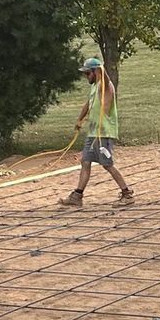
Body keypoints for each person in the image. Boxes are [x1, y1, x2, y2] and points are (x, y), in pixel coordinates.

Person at [59, 57, 132, 208]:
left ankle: (127, 194)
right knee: (85, 162)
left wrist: (101, 69)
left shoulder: (105, 85)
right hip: (93, 133)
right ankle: (77, 196)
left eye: (88, 73)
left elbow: (104, 77)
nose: (86, 76)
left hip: (104, 133)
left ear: (96, 72)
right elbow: (88, 104)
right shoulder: (94, 86)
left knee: (107, 164)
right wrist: (80, 119)